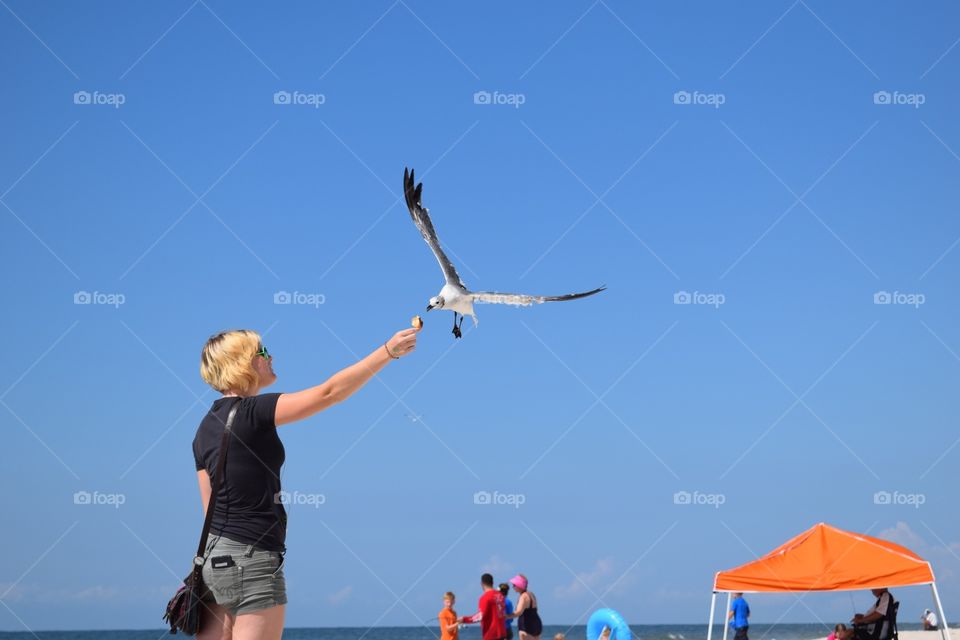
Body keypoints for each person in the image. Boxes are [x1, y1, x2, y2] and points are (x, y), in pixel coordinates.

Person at [191, 326, 418, 640]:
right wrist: (388, 352)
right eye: (263, 352)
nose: (271, 357)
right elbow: (329, 393)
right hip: (253, 558)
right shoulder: (252, 413)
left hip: (214, 560)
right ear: (243, 363)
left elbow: (209, 511)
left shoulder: (204, 429)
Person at [461, 573, 507, 640]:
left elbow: (480, 616)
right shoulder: (500, 596)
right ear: (492, 583)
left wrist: (464, 619)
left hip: (491, 635)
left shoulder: (485, 597)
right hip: (502, 633)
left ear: (482, 584)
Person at [506, 574, 543, 640]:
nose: (513, 587)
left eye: (514, 585)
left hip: (527, 627)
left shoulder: (523, 597)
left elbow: (518, 612)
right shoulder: (531, 594)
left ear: (519, 585)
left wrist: (504, 616)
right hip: (537, 625)